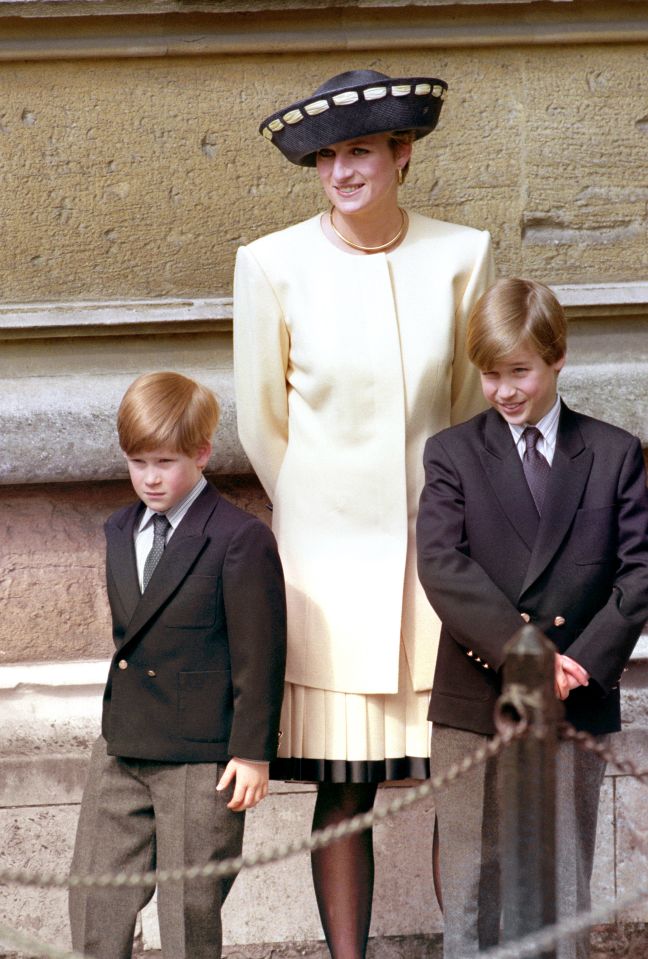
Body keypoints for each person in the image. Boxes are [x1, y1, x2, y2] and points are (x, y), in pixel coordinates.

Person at [233, 69, 495, 957]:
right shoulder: (271, 264)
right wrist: (320, 513)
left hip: (439, 566)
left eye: (360, 152)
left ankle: (470, 944)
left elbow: (466, 411)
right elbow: (262, 421)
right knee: (344, 791)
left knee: (455, 785)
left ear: (401, 153)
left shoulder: (464, 254)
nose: (342, 171)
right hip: (327, 577)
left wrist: (444, 521)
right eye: (328, 157)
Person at [416, 277, 648, 959]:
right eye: (489, 374)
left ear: (557, 357)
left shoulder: (612, 453)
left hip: (576, 692)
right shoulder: (453, 453)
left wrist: (582, 662)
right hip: (476, 696)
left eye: (518, 370)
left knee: (559, 878)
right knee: (472, 877)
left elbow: (639, 571)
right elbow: (442, 564)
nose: (504, 389)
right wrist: (528, 653)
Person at [69, 371, 287, 959]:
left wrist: (252, 752)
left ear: (201, 452)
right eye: (137, 462)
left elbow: (260, 653)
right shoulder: (120, 529)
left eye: (164, 461)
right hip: (124, 743)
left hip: (201, 754)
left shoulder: (239, 537)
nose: (150, 477)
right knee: (93, 894)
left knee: (188, 910)